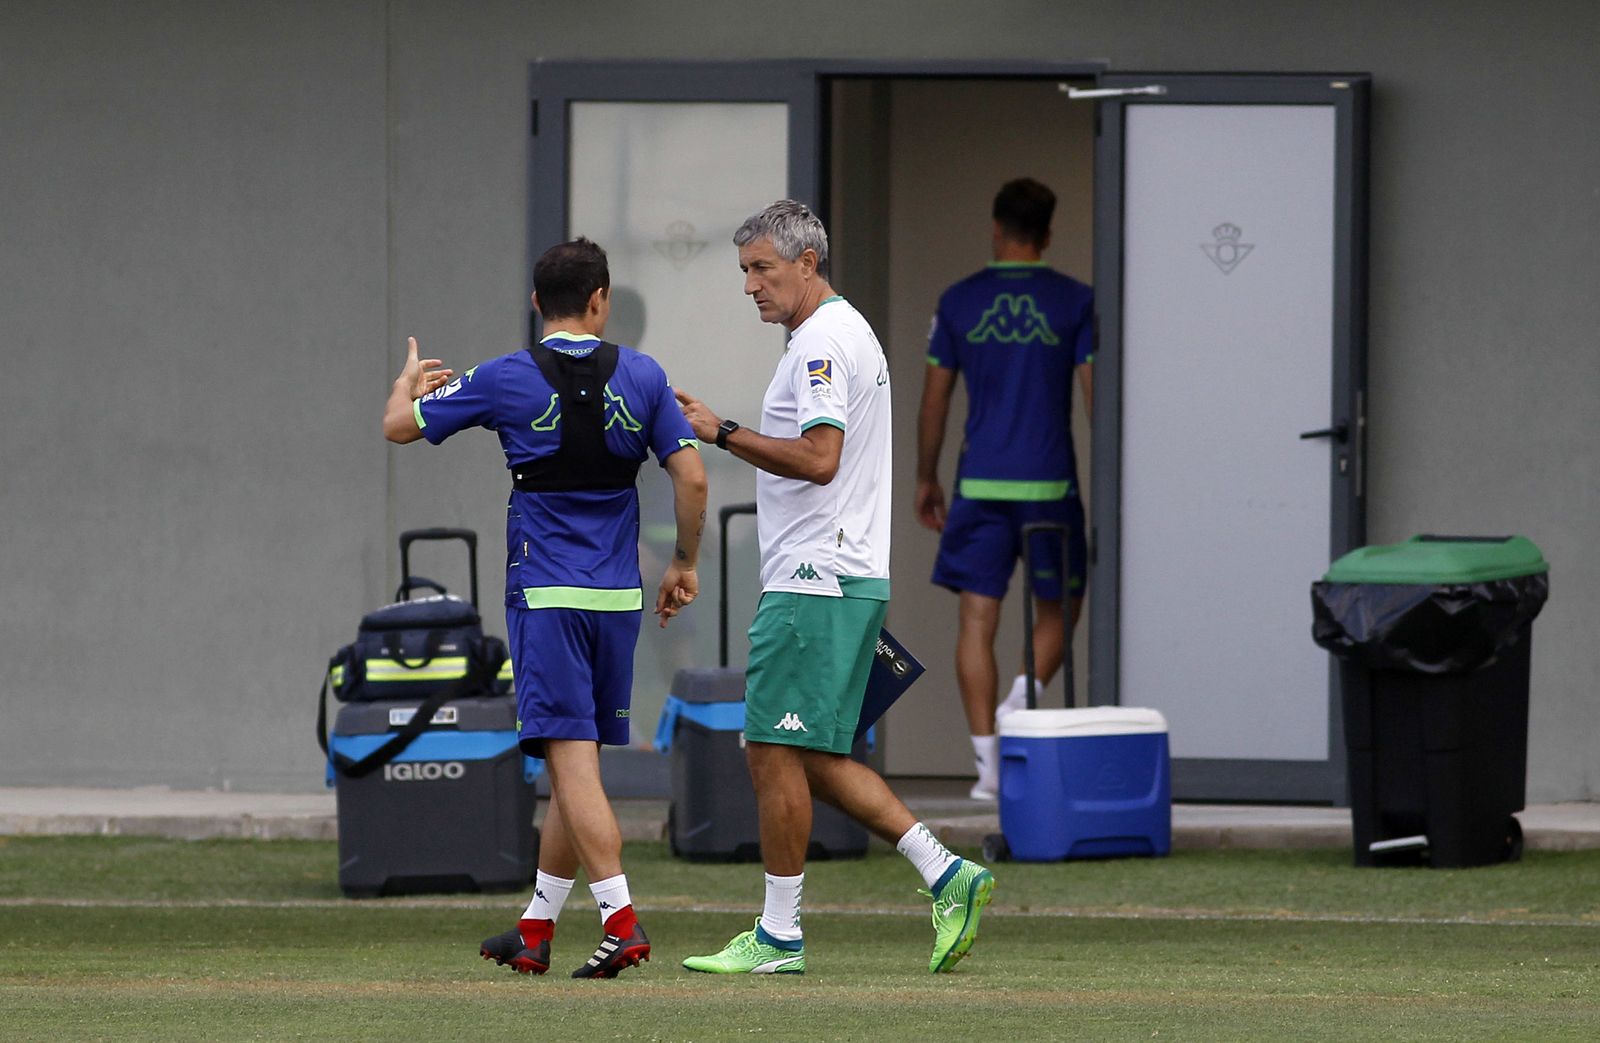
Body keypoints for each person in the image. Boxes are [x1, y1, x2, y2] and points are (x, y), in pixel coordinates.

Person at [674, 200, 993, 976]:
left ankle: (780, 935)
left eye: (763, 269)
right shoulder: (838, 332)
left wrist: (721, 433)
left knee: (770, 747)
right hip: (840, 575)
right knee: (805, 752)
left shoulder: (821, 342)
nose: (750, 285)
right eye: (745, 270)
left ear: (808, 263)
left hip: (816, 577)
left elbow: (821, 457)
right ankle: (947, 872)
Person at [382, 237, 707, 979]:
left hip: (546, 595)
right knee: (576, 756)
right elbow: (691, 479)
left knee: (569, 757)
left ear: (537, 305)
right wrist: (683, 562)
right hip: (618, 597)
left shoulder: (505, 377)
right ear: (601, 300)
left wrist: (405, 384)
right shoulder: (648, 376)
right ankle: (535, 929)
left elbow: (399, 427)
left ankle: (621, 921)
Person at [915, 178, 1094, 801]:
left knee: (976, 617)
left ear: (996, 228)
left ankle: (987, 765)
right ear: (1047, 234)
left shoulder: (960, 301)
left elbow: (935, 398)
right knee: (1062, 605)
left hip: (979, 482)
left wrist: (925, 475)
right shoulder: (1075, 301)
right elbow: (1097, 396)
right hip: (1050, 483)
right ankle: (1023, 702)